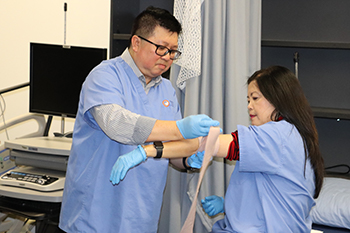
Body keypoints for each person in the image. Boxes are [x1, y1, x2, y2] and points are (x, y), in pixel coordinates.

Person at [59, 6, 219, 233]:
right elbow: (117, 124)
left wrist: (187, 160)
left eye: (173, 51)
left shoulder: (166, 90)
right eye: (161, 48)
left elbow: (170, 149)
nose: (168, 58)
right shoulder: (104, 76)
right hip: (95, 216)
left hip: (141, 217)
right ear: (136, 42)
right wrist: (180, 128)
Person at [111, 66, 325, 232]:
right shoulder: (288, 135)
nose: (249, 106)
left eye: (256, 98)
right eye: (248, 99)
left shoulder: (279, 135)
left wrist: (147, 151)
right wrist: (228, 205)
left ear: (279, 99)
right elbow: (270, 190)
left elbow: (208, 143)